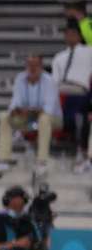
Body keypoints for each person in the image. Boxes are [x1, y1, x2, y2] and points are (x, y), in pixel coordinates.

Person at [0, 54, 59, 173]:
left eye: (35, 65)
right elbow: (15, 102)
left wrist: (27, 111)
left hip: (53, 119)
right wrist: (15, 111)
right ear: (26, 66)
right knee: (5, 116)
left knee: (44, 118)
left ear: (41, 66)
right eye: (30, 65)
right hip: (29, 118)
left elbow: (48, 108)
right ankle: (3, 160)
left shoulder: (49, 81)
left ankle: (42, 161)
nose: (32, 68)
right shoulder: (20, 78)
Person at [51, 25, 92, 172]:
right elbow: (54, 82)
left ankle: (82, 152)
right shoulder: (59, 57)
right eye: (67, 34)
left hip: (82, 91)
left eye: (73, 34)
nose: (70, 37)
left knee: (82, 112)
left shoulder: (89, 52)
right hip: (62, 91)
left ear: (80, 36)